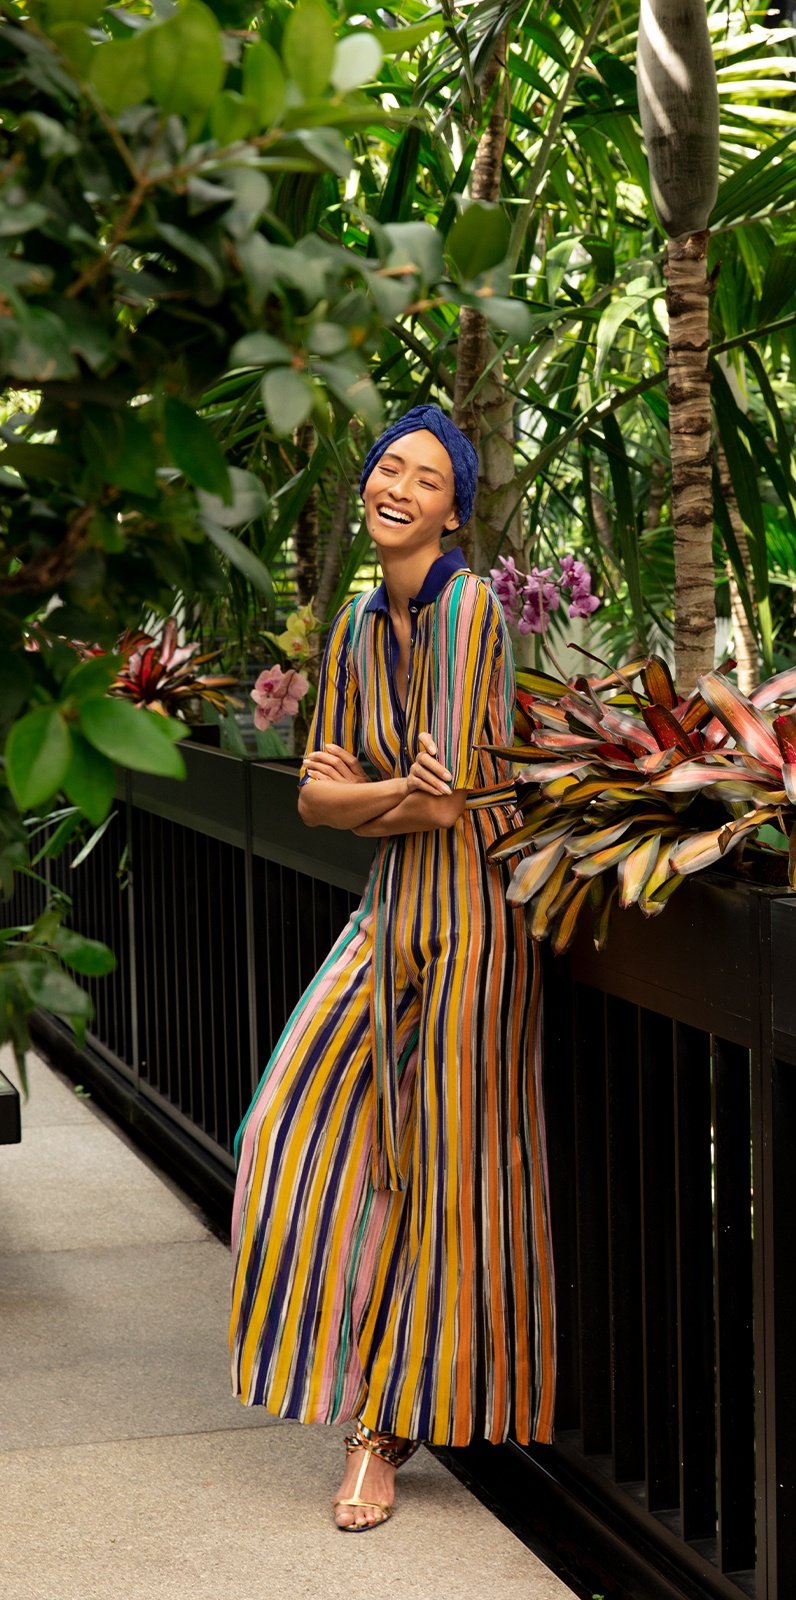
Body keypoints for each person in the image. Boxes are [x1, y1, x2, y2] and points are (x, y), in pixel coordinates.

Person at [228, 403, 556, 1531]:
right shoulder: (361, 627)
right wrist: (383, 798)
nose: (395, 484)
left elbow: (449, 792)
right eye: (385, 467)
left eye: (422, 475)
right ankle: (345, 1381)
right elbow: (326, 798)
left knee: (448, 1176)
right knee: (285, 1119)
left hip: (472, 923)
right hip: (388, 914)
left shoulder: (468, 610)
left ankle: (382, 1432)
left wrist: (373, 797)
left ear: (454, 511)